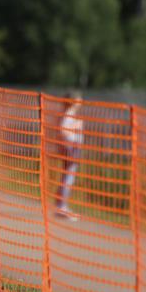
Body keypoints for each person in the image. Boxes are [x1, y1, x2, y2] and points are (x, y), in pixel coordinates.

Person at [54, 91, 84, 221]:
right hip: (70, 147)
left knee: (67, 176)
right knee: (68, 177)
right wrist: (76, 125)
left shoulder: (69, 114)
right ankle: (62, 206)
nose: (81, 101)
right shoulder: (69, 114)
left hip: (72, 147)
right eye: (79, 99)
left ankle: (61, 204)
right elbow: (63, 130)